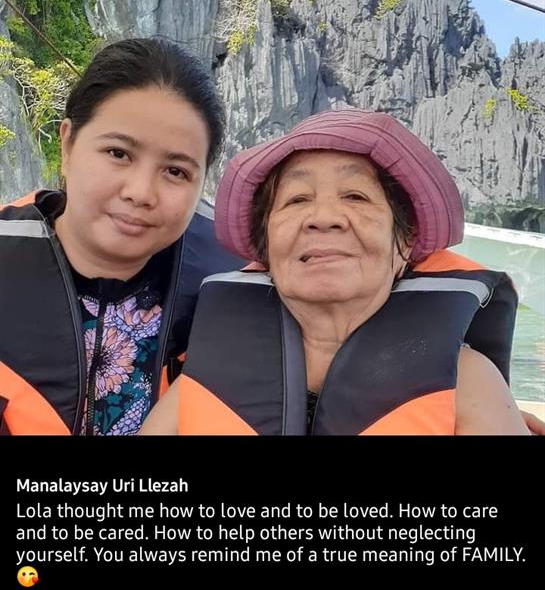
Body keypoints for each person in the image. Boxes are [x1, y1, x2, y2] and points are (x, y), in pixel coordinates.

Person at [140, 109, 533, 436]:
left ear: (404, 243)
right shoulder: (208, 376)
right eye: (297, 199)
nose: (324, 218)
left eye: (355, 196)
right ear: (266, 252)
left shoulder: (468, 382)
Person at [0, 38, 242, 435]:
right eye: (118, 153)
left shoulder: (236, 289)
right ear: (67, 144)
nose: (141, 192)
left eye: (176, 171)